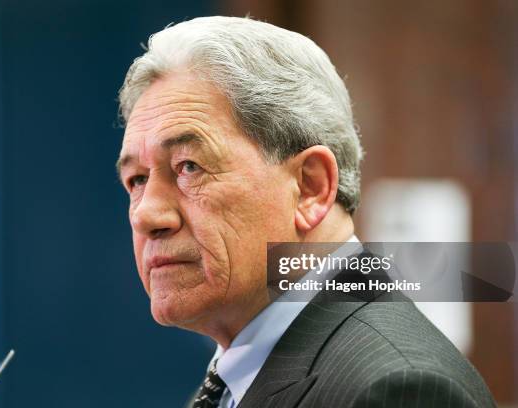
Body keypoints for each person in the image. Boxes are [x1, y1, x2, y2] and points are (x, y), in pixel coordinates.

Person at [116, 16, 496, 408]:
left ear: (310, 187)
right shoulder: (233, 378)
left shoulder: (398, 390)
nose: (147, 215)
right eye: (137, 180)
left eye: (189, 167)